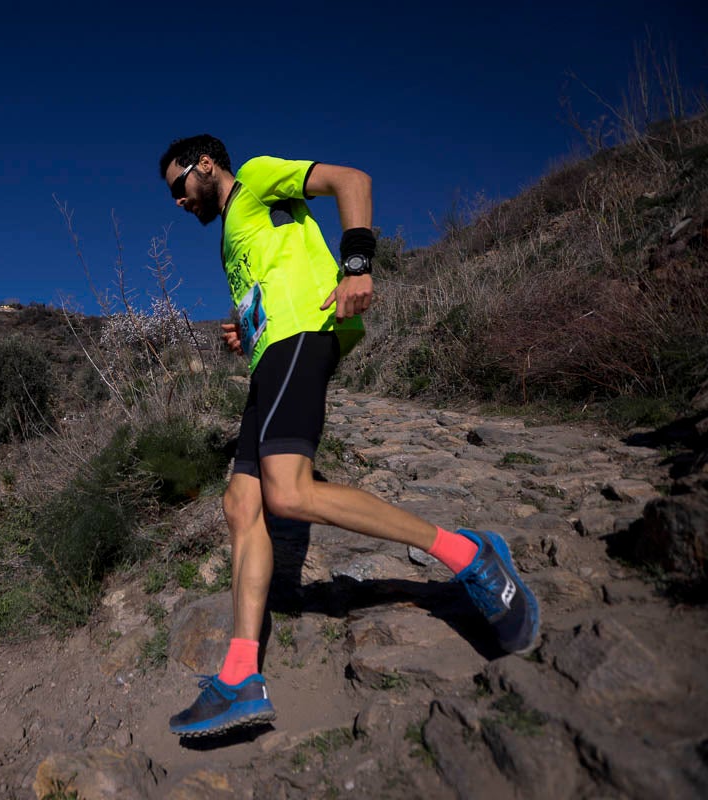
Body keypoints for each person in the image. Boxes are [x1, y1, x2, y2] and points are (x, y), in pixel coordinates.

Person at [157, 134, 540, 737]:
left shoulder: (255, 177)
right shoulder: (237, 227)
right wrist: (243, 331)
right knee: (240, 505)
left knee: (288, 493)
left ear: (206, 165)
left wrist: (357, 263)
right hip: (270, 353)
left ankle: (469, 554)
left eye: (179, 187)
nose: (179, 202)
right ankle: (240, 676)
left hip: (300, 338)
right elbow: (271, 285)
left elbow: (351, 180)